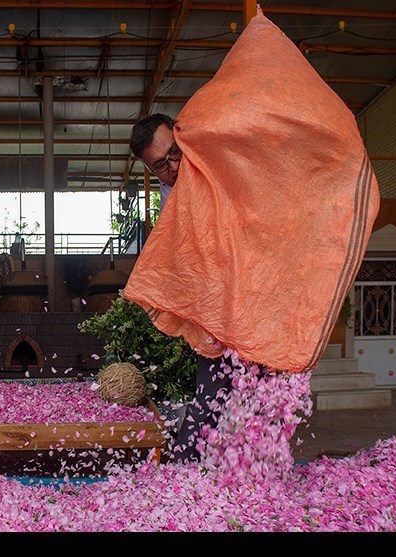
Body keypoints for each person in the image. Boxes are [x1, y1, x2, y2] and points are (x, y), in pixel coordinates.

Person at [129, 113, 234, 463]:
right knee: (214, 389)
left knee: (244, 393)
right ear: (150, 170)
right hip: (215, 314)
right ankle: (191, 463)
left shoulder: (211, 162)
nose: (174, 165)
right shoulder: (169, 199)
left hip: (248, 300)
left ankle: (200, 460)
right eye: (161, 164)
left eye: (176, 152)